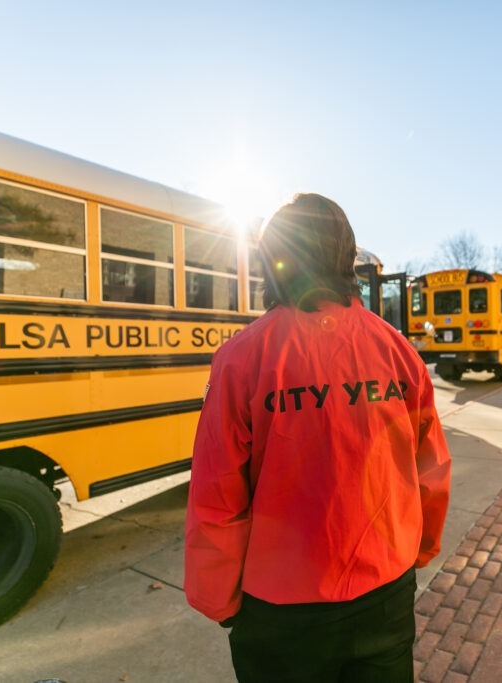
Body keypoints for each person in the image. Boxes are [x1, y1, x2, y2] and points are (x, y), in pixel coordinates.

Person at [184, 193, 451, 683]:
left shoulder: (241, 358)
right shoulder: (397, 352)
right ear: (344, 257)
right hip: (384, 590)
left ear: (272, 257)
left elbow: (217, 494)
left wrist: (218, 596)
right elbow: (429, 469)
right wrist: (419, 549)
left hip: (279, 608)